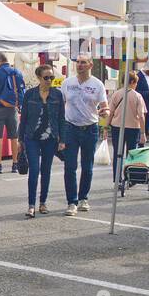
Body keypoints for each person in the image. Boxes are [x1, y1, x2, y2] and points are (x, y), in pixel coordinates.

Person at [14, 64, 65, 218]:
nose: (49, 80)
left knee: (46, 171)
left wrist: (62, 139)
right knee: (34, 171)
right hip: (32, 138)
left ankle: (43, 202)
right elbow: (24, 119)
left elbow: (61, 119)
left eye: (52, 77)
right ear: (38, 77)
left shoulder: (57, 95)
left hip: (50, 138)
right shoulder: (30, 95)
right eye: (46, 77)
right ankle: (31, 205)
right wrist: (20, 139)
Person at [60, 54, 108, 215]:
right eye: (78, 62)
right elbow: (61, 105)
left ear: (90, 65)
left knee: (87, 167)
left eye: (83, 63)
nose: (79, 65)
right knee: (70, 166)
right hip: (70, 128)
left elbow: (104, 106)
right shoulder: (67, 83)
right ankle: (71, 202)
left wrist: (104, 112)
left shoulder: (97, 84)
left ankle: (83, 199)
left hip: (90, 128)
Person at [0, 53, 25, 173]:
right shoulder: (17, 72)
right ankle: (15, 164)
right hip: (13, 108)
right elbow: (22, 89)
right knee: (14, 137)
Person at [107, 71, 148, 185]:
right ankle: (130, 178)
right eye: (136, 82)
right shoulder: (137, 96)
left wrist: (106, 127)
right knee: (131, 154)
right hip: (133, 128)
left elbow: (110, 113)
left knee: (117, 154)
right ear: (132, 82)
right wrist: (143, 133)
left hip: (117, 127)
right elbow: (141, 116)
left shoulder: (116, 94)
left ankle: (117, 179)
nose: (136, 85)